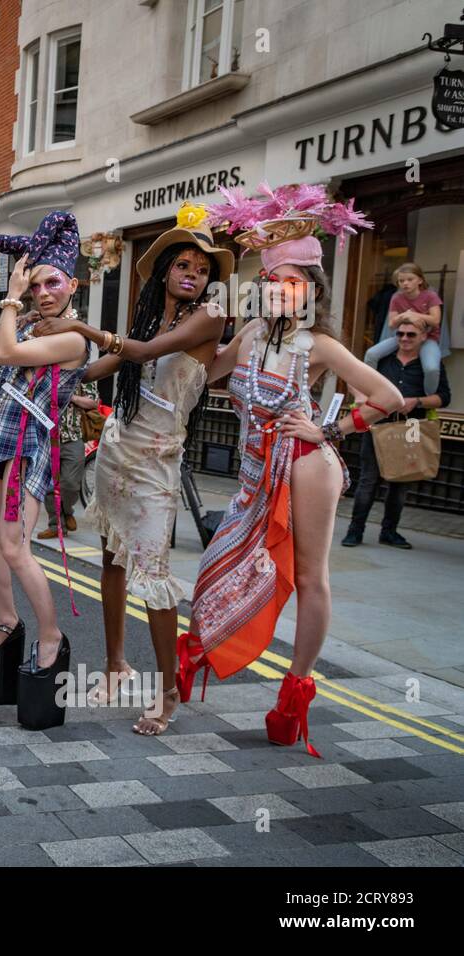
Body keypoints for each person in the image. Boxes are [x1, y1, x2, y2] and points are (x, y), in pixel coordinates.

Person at [179, 186, 401, 757]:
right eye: (273, 280)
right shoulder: (252, 335)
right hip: (256, 471)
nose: (280, 289)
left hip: (305, 467)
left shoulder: (320, 345)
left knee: (309, 578)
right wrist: (199, 316)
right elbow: (208, 371)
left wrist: (330, 431)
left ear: (311, 289)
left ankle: (293, 698)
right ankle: (198, 650)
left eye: (292, 281)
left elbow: (388, 396)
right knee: (218, 561)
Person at [27, 203, 232, 732]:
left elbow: (136, 350)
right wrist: (49, 360)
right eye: (184, 265)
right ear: (165, 270)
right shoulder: (148, 316)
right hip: (117, 451)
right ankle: (118, 664)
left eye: (203, 269)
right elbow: (101, 368)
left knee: (155, 578)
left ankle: (168, 693)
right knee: (113, 562)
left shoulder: (209, 318)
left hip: (157, 466)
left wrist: (79, 327)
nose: (192, 275)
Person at [0, 212, 90, 711]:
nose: (43, 291)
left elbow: (6, 351)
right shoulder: (33, 323)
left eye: (52, 282)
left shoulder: (75, 338)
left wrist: (11, 295)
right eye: (36, 284)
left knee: (15, 547)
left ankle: (51, 635)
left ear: (73, 284)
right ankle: (6, 620)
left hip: (26, 448)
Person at [343, 316, 452, 549]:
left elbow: (443, 398)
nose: (404, 338)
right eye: (400, 334)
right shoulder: (382, 360)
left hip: (412, 426)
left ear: (423, 337)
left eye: (410, 334)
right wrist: (360, 397)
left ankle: (389, 532)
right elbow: (354, 379)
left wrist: (417, 401)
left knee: (401, 482)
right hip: (379, 424)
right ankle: (355, 531)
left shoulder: (430, 365)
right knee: (368, 480)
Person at [363, 263, 447, 394]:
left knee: (431, 369)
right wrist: (406, 316)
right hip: (401, 336)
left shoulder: (430, 296)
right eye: (401, 281)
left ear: (420, 280)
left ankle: (429, 398)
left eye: (409, 279)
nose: (405, 283)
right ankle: (370, 390)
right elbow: (392, 323)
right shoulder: (396, 297)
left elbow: (435, 320)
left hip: (428, 339)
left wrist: (412, 314)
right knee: (371, 354)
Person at [37, 378, 99, 539]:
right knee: (50, 486)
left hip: (73, 437)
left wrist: (71, 397)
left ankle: (67, 511)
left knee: (70, 484)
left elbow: (93, 402)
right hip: (48, 438)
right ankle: (56, 526)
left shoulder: (83, 376)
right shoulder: (48, 375)